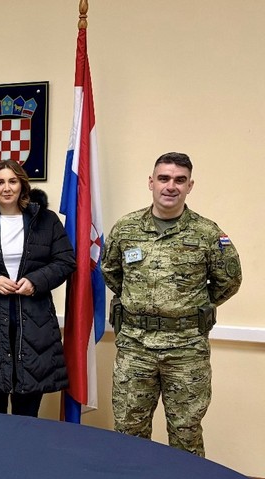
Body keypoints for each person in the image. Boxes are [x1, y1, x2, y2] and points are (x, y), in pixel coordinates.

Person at [102, 152, 242, 456]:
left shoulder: (207, 233)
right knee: (128, 431)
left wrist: (187, 307)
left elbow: (229, 280)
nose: (171, 186)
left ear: (190, 186)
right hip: (135, 346)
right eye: (164, 178)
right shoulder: (125, 229)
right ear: (151, 182)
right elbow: (111, 271)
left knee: (186, 433)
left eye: (180, 180)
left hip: (186, 349)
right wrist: (140, 301)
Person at [0, 160, 75, 416]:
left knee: (27, 414)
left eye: (12, 181)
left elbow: (65, 261)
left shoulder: (46, 220)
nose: (6, 188)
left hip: (35, 324)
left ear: (22, 185)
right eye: (0, 182)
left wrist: (36, 281)